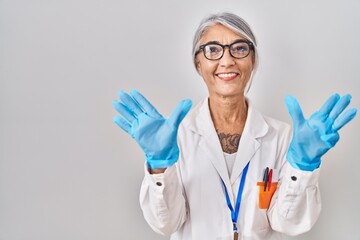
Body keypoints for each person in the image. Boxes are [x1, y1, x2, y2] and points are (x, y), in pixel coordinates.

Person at [112, 12, 357, 240]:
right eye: (212, 50)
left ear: (252, 60)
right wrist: (160, 165)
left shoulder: (283, 138)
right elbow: (166, 224)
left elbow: (287, 223)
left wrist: (303, 167)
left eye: (239, 48)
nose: (227, 60)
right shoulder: (174, 138)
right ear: (198, 64)